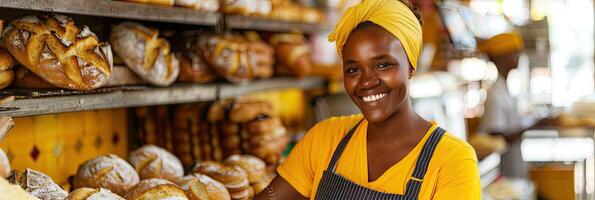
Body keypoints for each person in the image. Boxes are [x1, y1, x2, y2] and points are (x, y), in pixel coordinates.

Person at [255, 0, 481, 199]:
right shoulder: (324, 138)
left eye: (383, 65)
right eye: (353, 69)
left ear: (411, 66)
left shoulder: (453, 162)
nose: (367, 81)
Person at [477, 32, 529, 178]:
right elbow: (497, 136)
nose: (518, 57)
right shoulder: (494, 94)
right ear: (501, 58)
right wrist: (535, 125)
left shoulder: (504, 88)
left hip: (514, 159)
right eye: (514, 53)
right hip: (504, 166)